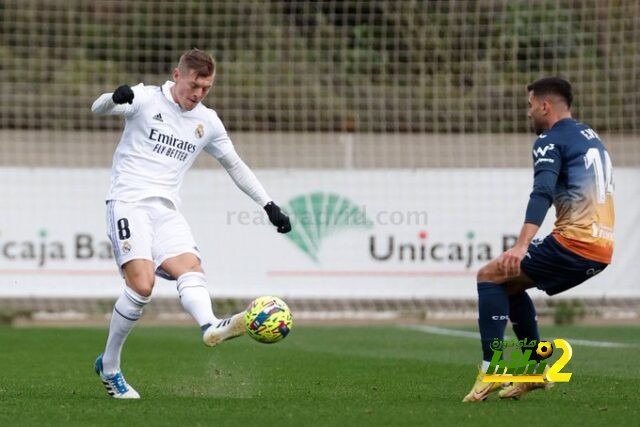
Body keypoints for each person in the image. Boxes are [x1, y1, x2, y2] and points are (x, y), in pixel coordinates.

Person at [91, 49, 291, 399]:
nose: (198, 93)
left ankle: (211, 326)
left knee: (191, 268)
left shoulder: (208, 122)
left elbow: (236, 165)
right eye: (194, 84)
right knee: (142, 286)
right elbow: (98, 108)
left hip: (166, 210)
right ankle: (110, 366)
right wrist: (113, 97)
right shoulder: (144, 98)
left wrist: (268, 204)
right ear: (177, 75)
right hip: (128, 202)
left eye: (206, 88)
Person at [462, 77, 614, 402]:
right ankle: (534, 368)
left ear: (544, 106)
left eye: (530, 106)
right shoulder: (591, 136)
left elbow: (542, 192)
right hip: (602, 248)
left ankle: (492, 367)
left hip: (576, 243)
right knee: (511, 284)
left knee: (489, 276)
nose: (528, 113)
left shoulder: (549, 139)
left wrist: (521, 246)